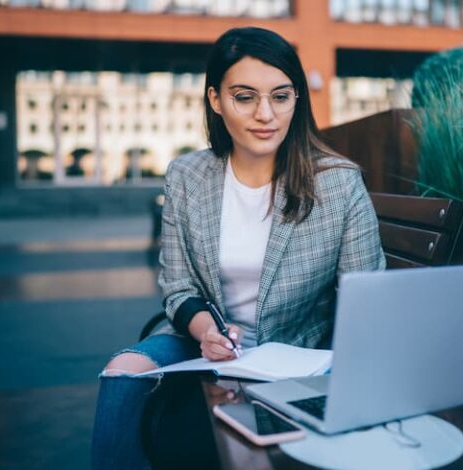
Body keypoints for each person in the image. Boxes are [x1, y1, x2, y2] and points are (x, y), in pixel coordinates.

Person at [91, 26, 385, 468]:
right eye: (244, 97)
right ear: (216, 100)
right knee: (121, 375)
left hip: (295, 351)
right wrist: (207, 331)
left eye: (280, 96)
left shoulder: (338, 183)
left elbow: (368, 296)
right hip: (199, 345)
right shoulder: (188, 176)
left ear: (296, 100)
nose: (265, 114)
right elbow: (177, 286)